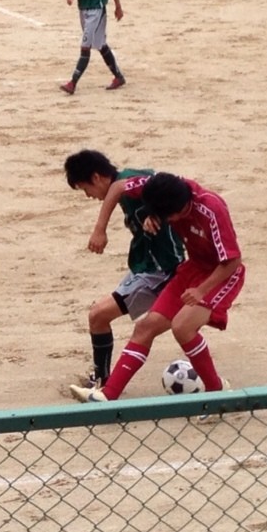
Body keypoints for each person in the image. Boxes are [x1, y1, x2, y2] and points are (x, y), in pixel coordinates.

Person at [70, 173, 243, 403]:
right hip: (192, 268)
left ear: (180, 210)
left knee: (182, 327)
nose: (168, 223)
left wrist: (201, 290)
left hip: (220, 274)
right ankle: (107, 395)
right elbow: (119, 186)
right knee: (145, 327)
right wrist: (146, 216)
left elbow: (233, 261)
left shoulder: (212, 208)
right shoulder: (164, 186)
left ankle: (216, 391)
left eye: (167, 218)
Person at [64, 150, 185, 389]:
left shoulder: (127, 181)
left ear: (97, 177)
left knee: (98, 316)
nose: (89, 196)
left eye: (85, 188)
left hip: (159, 273)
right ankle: (103, 380)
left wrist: (100, 229)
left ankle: (102, 383)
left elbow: (125, 185)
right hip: (148, 270)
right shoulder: (130, 189)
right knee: (104, 317)